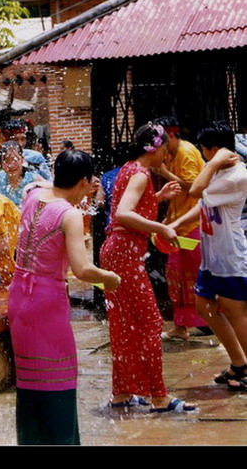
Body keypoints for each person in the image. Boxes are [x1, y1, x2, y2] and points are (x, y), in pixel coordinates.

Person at [9, 150, 121, 444]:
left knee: (30, 378)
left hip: (19, 295)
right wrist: (109, 278)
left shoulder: (33, 194)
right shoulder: (69, 215)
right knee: (57, 375)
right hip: (46, 301)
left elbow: (42, 184)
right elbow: (82, 269)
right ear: (84, 181)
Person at [99, 123, 196, 413]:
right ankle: (159, 397)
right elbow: (123, 214)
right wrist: (161, 229)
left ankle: (122, 393)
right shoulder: (140, 174)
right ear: (153, 149)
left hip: (116, 253)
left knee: (124, 327)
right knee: (150, 324)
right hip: (125, 256)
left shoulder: (129, 169)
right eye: (165, 150)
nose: (166, 156)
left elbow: (127, 211)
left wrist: (158, 198)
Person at [168, 122, 247, 392]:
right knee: (205, 307)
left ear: (217, 150)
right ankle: (239, 361)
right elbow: (202, 205)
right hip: (212, 255)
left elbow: (195, 192)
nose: (202, 156)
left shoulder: (237, 175)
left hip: (230, 256)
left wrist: (212, 165)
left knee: (236, 313)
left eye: (205, 151)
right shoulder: (216, 170)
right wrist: (177, 225)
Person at [154, 116, 208, 340]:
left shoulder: (185, 151)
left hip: (192, 223)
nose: (162, 147)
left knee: (192, 276)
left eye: (164, 141)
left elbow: (195, 188)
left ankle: (205, 322)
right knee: (176, 275)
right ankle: (182, 326)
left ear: (173, 136)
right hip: (179, 221)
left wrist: (165, 173)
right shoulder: (173, 152)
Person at [0, 141, 43, 207]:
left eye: (15, 159)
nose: (11, 165)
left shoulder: (35, 180)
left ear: (22, 159)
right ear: (1, 164)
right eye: (6, 161)